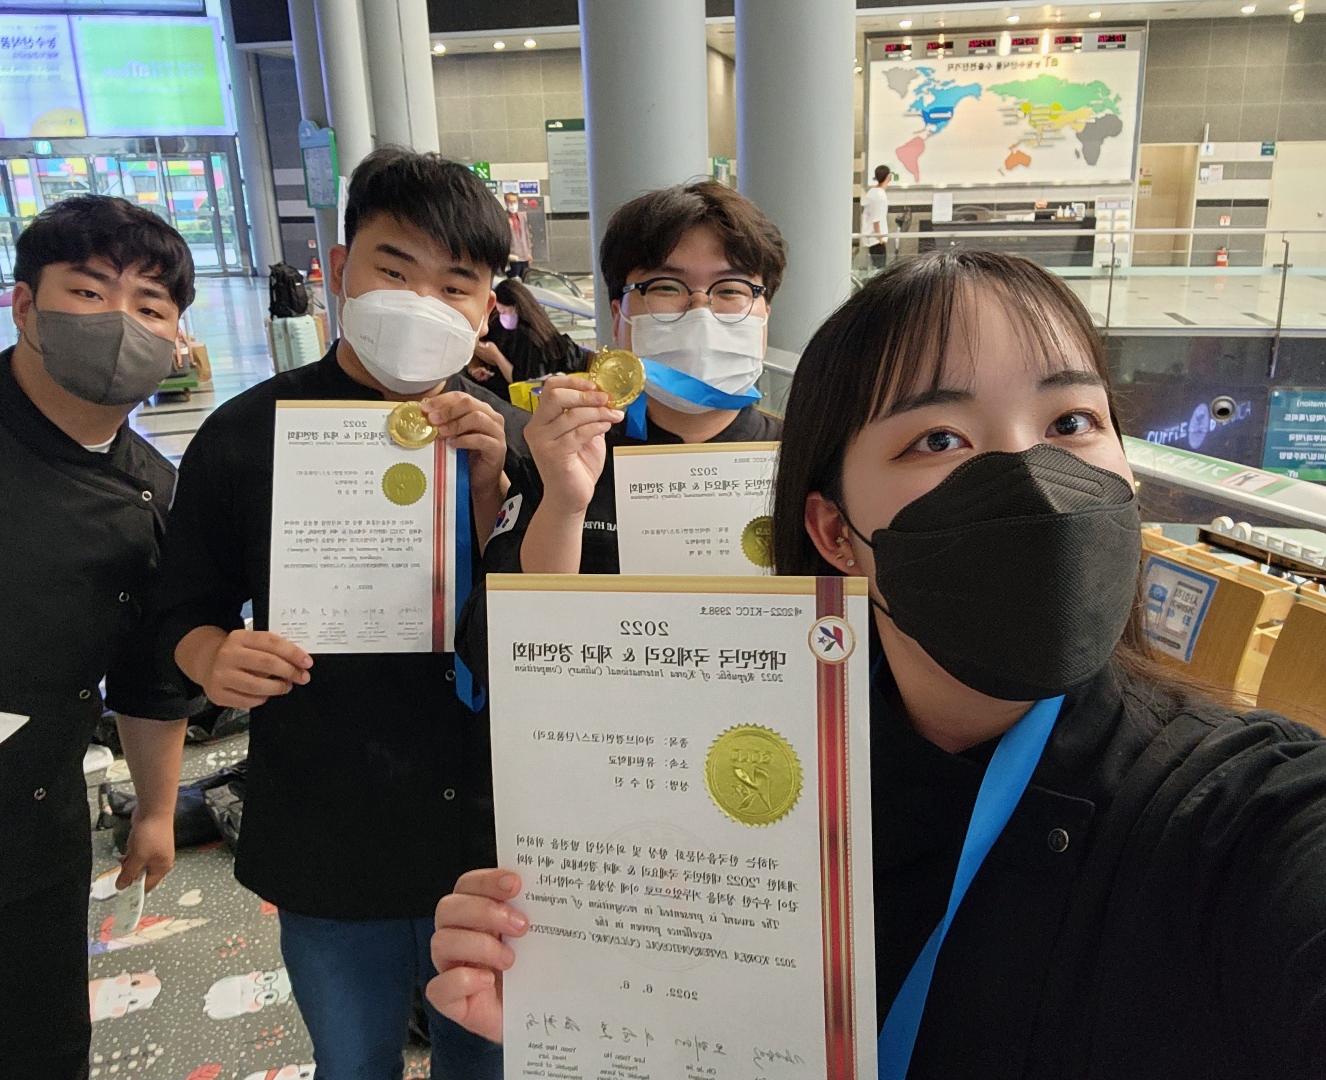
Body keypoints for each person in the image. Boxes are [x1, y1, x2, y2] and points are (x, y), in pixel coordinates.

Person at [426, 250, 1326, 1079]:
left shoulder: (1242, 818)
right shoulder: (746, 776)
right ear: (833, 532)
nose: (1028, 473)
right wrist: (604, 1007)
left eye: (1071, 421)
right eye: (938, 438)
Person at [149, 148, 527, 1080]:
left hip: (489, 830)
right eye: (394, 269)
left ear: (487, 307)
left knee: (487, 1060)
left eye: (455, 285)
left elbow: (552, 633)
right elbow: (181, 605)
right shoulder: (247, 433)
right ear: (341, 266)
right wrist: (211, 657)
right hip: (329, 821)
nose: (421, 301)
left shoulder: (510, 438)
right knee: (353, 1062)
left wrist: (494, 494)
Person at [0, 194, 198, 1080]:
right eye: (89, 292)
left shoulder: (152, 494)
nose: (120, 322)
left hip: (21, 841)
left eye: (149, 306)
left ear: (176, 337)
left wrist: (156, 811)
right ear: (25, 305)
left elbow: (147, 674)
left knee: (40, 1058)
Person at [462, 180, 787, 603]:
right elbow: (495, 630)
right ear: (619, 318)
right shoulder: (564, 453)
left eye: (731, 290)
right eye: (666, 286)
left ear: (765, 315)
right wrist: (564, 506)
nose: (700, 310)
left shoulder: (806, 461)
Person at [466, 278, 588, 401]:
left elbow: (521, 383)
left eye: (504, 312)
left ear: (516, 307)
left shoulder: (528, 337)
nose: (501, 317)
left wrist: (496, 356)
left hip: (520, 397)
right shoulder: (538, 324)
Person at [861, 164, 891, 271]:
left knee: (877, 267)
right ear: (888, 176)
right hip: (876, 239)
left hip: (872, 237)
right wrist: (880, 238)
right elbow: (876, 219)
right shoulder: (880, 195)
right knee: (880, 268)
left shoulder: (872, 192)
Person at [503, 192, 531, 279]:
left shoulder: (521, 217)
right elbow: (501, 238)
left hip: (524, 255)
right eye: (510, 202)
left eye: (514, 201)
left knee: (525, 279)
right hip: (513, 257)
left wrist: (529, 252)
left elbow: (526, 235)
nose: (513, 204)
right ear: (506, 202)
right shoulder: (503, 218)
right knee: (514, 280)